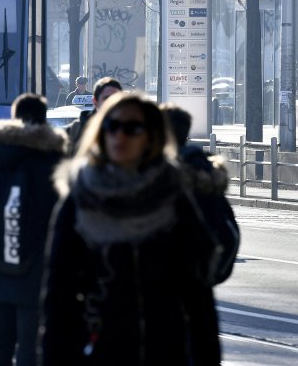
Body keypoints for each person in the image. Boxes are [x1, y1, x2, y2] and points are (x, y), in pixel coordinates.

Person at [39, 93, 235, 365]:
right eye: (112, 126)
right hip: (99, 352)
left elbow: (197, 297)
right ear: (101, 133)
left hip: (166, 352)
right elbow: (58, 295)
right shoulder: (81, 198)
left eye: (132, 128)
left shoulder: (174, 195)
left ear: (150, 137)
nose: (120, 135)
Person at [0, 93, 67, 366]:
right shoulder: (51, 160)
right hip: (35, 269)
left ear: (14, 117)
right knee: (29, 348)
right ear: (44, 119)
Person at [160, 103, 240, 364]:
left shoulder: (155, 178)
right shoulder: (205, 176)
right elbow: (228, 235)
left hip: (160, 302)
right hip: (198, 299)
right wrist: (208, 276)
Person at [65, 76, 122, 153]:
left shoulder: (128, 126)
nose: (110, 102)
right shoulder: (77, 128)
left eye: (115, 98)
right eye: (106, 98)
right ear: (95, 101)